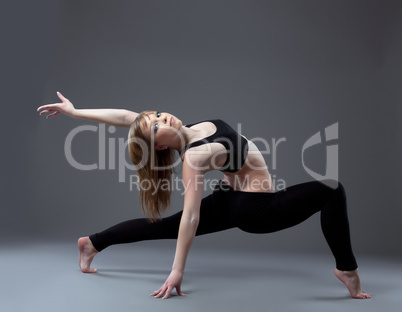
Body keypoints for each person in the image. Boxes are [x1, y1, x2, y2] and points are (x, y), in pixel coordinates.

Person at [37, 91, 371, 300]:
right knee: (332, 190)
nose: (160, 117)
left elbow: (128, 118)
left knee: (162, 226)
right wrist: (177, 270)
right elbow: (192, 217)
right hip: (257, 210)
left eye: (155, 115)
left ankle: (92, 243)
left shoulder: (189, 128)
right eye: (156, 127)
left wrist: (75, 112)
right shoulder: (194, 157)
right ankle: (347, 269)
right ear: (162, 145)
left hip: (232, 197)